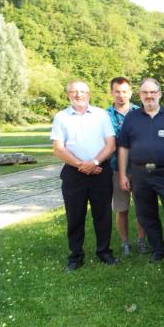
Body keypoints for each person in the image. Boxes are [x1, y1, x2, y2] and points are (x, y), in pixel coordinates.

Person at [117, 78, 164, 264]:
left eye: (153, 92)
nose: (149, 96)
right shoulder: (131, 118)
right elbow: (123, 147)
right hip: (140, 174)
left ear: (160, 94)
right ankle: (158, 249)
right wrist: (124, 174)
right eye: (145, 92)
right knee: (146, 214)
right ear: (140, 95)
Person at [50, 80, 118, 271]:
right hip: (74, 173)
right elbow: (58, 148)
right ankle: (75, 256)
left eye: (82, 91)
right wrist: (83, 165)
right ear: (68, 95)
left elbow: (111, 144)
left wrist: (94, 163)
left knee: (103, 215)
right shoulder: (61, 117)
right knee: (75, 216)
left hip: (100, 171)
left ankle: (104, 252)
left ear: (89, 94)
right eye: (74, 92)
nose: (78, 95)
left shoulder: (101, 115)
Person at [105, 76, 149, 256]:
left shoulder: (141, 112)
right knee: (121, 208)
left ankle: (141, 241)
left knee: (141, 207)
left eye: (124, 92)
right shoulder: (105, 116)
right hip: (116, 168)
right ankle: (125, 243)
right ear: (112, 93)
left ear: (130, 93)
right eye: (117, 92)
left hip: (139, 168)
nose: (121, 95)